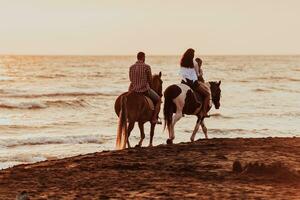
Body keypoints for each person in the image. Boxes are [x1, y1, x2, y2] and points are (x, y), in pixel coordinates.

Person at [129, 52, 162, 124]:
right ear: (143, 57)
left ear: (137, 57)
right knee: (159, 100)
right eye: (145, 57)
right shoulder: (147, 67)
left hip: (133, 90)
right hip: (144, 90)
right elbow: (150, 80)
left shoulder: (131, 67)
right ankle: (154, 119)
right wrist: (151, 88)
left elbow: (131, 79)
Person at [179, 48, 210, 117]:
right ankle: (204, 112)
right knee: (207, 94)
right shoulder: (195, 63)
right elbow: (197, 75)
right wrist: (200, 74)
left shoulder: (182, 62)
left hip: (184, 82)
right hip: (192, 83)